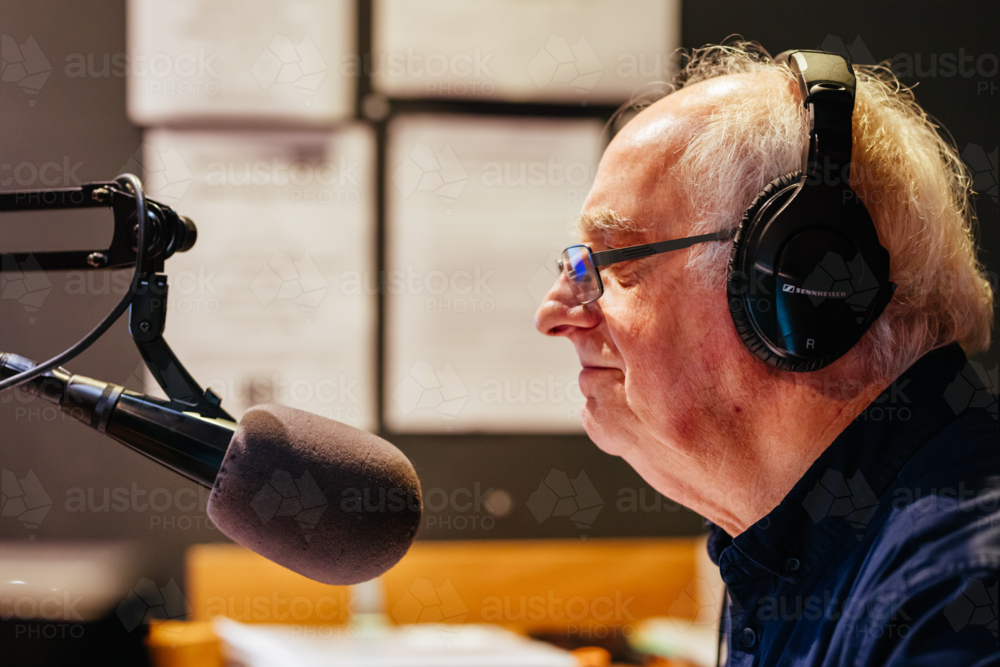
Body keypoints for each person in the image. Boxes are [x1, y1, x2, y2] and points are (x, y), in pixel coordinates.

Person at [534, 43, 998, 666]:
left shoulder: (957, 598)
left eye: (616, 263)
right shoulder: (786, 542)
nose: (553, 315)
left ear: (797, 284)